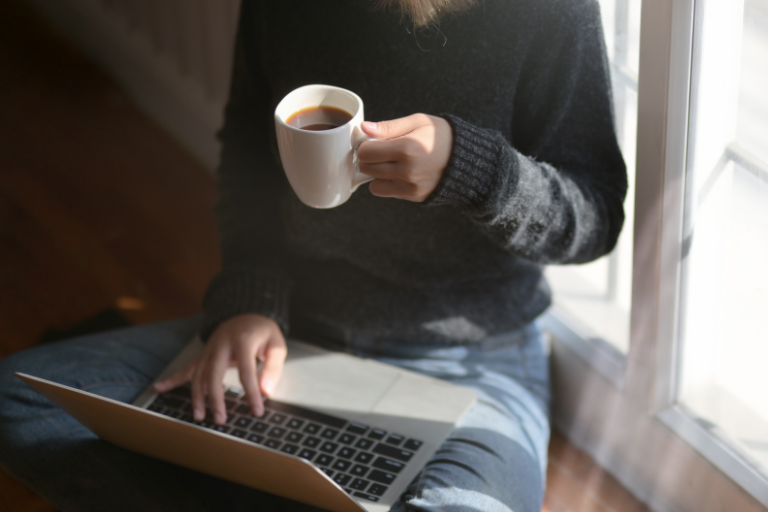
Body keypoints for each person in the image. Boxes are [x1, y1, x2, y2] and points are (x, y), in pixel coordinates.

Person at [0, 0, 627, 510]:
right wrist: (250, 299)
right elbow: (250, 152)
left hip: (470, 360)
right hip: (296, 330)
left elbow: (595, 217)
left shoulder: (550, 12)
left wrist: (476, 172)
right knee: (18, 401)